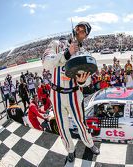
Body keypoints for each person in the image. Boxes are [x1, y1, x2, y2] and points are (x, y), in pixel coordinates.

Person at [42, 21, 100, 162]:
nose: (80, 31)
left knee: (81, 123)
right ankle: (70, 150)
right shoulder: (56, 44)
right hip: (56, 94)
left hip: (74, 93)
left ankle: (89, 144)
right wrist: (67, 53)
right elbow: (46, 62)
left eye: (84, 31)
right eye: (78, 28)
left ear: (86, 36)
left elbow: (87, 80)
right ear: (74, 29)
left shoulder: (85, 53)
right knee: (62, 126)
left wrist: (82, 80)